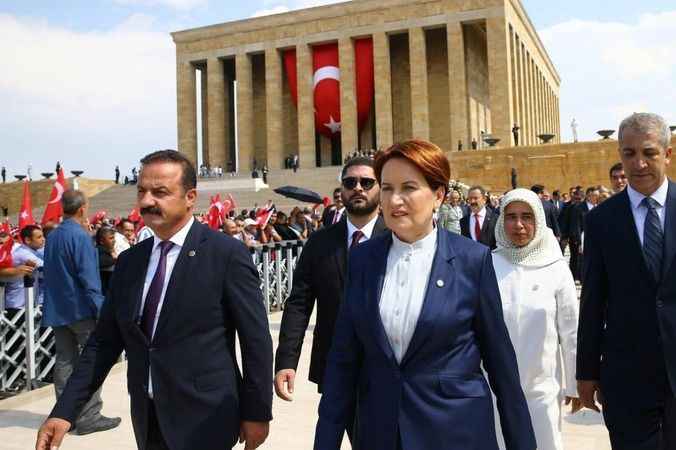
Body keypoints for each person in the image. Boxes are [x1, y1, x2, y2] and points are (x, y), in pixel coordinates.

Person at [36, 150, 273, 450]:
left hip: (207, 417)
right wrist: (64, 411)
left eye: (160, 192)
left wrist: (257, 411)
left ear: (190, 197)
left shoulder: (225, 255)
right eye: (141, 191)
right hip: (149, 418)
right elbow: (103, 343)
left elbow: (256, 341)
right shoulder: (130, 262)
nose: (147, 201)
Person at [314, 140, 535, 450]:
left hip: (455, 432)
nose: (395, 200)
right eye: (387, 188)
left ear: (439, 195)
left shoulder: (472, 260)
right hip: (381, 433)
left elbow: (502, 369)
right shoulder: (364, 260)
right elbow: (343, 361)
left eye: (408, 188)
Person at [577, 113, 676, 450]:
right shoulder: (602, 220)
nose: (639, 163)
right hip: (627, 376)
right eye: (629, 153)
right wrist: (586, 372)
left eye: (648, 152)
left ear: (667, 154)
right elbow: (593, 300)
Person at [276, 157, 386, 447]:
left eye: (366, 182)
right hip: (335, 366)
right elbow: (299, 303)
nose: (358, 188)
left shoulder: (397, 237)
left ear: (380, 188)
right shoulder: (321, 242)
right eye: (350, 183)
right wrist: (287, 361)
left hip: (387, 369)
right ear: (341, 190)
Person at [491, 189, 579, 450]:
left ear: (539, 220)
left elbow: (571, 331)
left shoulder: (555, 268)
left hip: (542, 391)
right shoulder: (488, 265)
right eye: (511, 217)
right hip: (495, 389)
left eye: (527, 216)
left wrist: (575, 385)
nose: (518, 225)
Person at [40, 190, 120, 436]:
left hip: (57, 307)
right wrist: (101, 309)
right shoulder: (81, 236)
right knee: (91, 361)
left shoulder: (52, 236)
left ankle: (65, 415)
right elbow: (89, 277)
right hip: (81, 308)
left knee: (64, 361)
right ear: (83, 209)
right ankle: (89, 415)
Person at [95, 227, 117, 296]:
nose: (114, 240)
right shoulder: (99, 253)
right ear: (102, 241)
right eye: (110, 238)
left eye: (113, 238)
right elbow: (103, 262)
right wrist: (115, 260)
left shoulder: (108, 252)